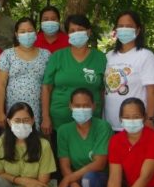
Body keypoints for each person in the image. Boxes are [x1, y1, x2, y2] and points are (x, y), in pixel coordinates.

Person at [41, 14, 106, 172]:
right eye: (72, 30)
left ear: (89, 32)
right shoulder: (58, 56)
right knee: (61, 161)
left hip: (91, 120)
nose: (76, 33)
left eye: (81, 30)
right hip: (59, 119)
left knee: (88, 160)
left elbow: (104, 90)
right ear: (68, 34)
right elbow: (46, 87)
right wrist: (46, 117)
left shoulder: (100, 58)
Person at [54, 88, 112, 187]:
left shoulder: (103, 127)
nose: (81, 109)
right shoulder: (63, 131)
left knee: (89, 178)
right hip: (77, 178)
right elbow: (64, 164)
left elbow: (99, 163)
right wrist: (73, 184)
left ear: (93, 106)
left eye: (86, 105)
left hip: (99, 179)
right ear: (70, 106)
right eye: (77, 105)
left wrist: (68, 179)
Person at [104, 11, 154, 132]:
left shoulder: (145, 56)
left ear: (138, 30)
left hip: (135, 125)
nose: (124, 29)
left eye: (129, 26)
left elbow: (152, 90)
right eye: (120, 26)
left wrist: (150, 118)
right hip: (109, 124)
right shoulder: (109, 56)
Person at [0, 17, 51, 129]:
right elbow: (1, 85)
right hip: (13, 108)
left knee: (35, 142)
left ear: (36, 32)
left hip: (38, 109)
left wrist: (46, 116)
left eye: (30, 31)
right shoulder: (7, 55)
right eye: (22, 32)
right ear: (16, 34)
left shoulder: (46, 55)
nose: (27, 34)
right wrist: (0, 112)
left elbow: (48, 87)